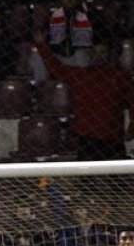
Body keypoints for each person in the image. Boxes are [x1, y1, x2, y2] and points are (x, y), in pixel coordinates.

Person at [33, 30, 134, 161]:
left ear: (110, 54)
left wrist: (132, 127)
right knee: (87, 177)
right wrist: (42, 46)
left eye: (102, 52)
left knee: (114, 177)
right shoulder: (82, 75)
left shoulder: (120, 76)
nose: (98, 56)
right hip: (87, 137)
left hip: (112, 136)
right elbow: (56, 68)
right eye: (95, 52)